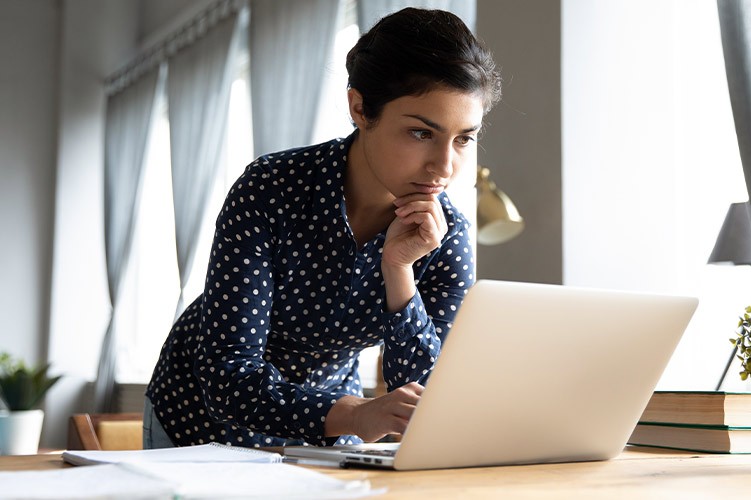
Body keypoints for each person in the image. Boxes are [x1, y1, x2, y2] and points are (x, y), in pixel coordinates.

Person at [144, 7, 502, 449]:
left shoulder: (445, 236)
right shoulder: (270, 189)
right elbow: (228, 376)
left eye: (464, 138)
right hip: (200, 417)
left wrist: (399, 270)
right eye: (420, 133)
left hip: (334, 421)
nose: (445, 166)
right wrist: (352, 413)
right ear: (360, 108)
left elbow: (424, 395)